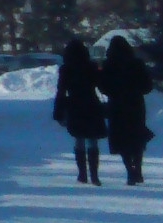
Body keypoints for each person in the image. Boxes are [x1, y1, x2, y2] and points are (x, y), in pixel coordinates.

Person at [99, 35, 157, 186]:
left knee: (121, 139)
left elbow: (103, 87)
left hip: (117, 106)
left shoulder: (109, 65)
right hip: (135, 104)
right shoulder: (137, 63)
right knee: (136, 137)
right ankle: (137, 168)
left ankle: (129, 171)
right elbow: (147, 86)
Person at [53, 40, 109, 185]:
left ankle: (82, 174)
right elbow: (102, 86)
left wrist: (58, 111)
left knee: (79, 139)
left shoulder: (66, 69)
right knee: (92, 139)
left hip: (74, 106)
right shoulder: (91, 67)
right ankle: (95, 175)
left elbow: (61, 91)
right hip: (92, 104)